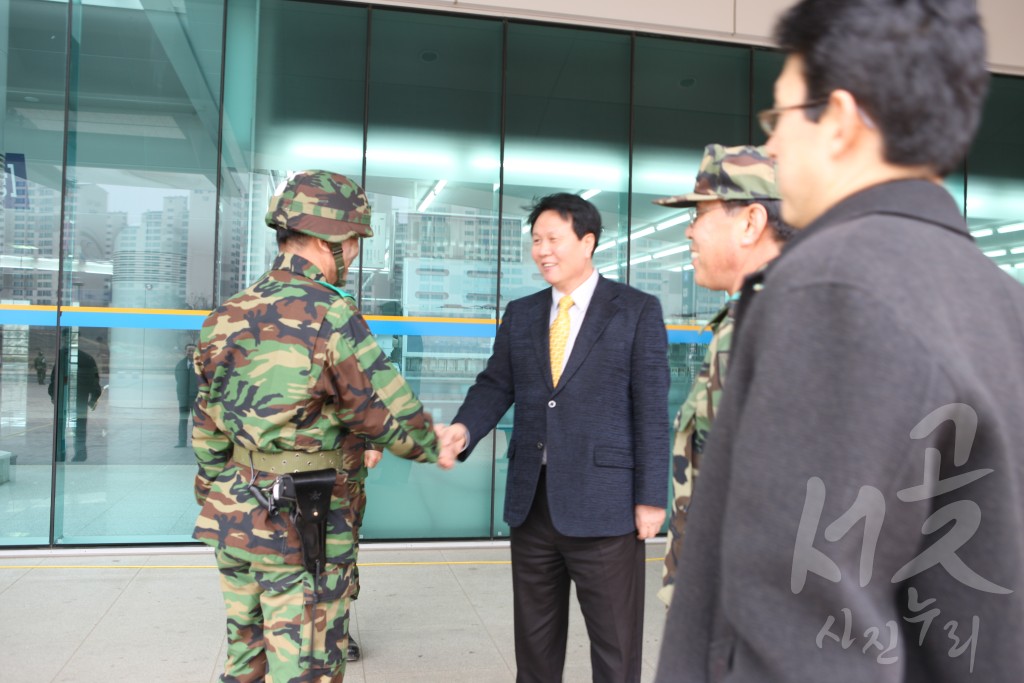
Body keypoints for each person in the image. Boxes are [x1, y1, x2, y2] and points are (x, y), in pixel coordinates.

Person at [655, 1, 1024, 682]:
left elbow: (803, 631)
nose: (772, 149)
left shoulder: (831, 288)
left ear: (842, 123)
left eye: (780, 118)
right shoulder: (1001, 299)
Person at [192, 170, 443, 683]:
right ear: (335, 238)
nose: (353, 252)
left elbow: (207, 428)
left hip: (233, 515)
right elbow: (388, 414)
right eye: (354, 240)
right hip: (302, 519)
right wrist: (435, 442)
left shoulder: (226, 314)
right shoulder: (332, 313)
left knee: (245, 663)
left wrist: (220, 496)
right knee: (306, 667)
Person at [437, 192, 670, 683]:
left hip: (605, 507)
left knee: (615, 646)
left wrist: (652, 498)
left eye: (553, 239)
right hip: (533, 505)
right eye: (536, 240)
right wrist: (463, 429)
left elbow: (651, 410)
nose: (543, 250)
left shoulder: (635, 310)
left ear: (587, 242)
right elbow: (496, 384)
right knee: (535, 646)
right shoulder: (521, 314)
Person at [652, 143, 792, 606]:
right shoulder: (756, 313)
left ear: (751, 222)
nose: (689, 232)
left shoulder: (773, 321)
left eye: (700, 215)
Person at [48, 347, 102, 462]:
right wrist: (94, 398)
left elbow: (54, 378)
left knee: (61, 426)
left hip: (64, 398)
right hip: (80, 399)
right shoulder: (87, 358)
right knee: (80, 427)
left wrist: (53, 394)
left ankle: (61, 454)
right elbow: (95, 380)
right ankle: (80, 453)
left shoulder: (63, 355)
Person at [174, 343, 199, 447]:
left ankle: (196, 442)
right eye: (189, 350)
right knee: (183, 420)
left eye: (193, 350)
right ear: (185, 351)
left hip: (196, 399)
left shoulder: (201, 365)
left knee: (196, 422)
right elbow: (177, 379)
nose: (191, 352)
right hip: (183, 399)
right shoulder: (180, 365)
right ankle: (182, 442)